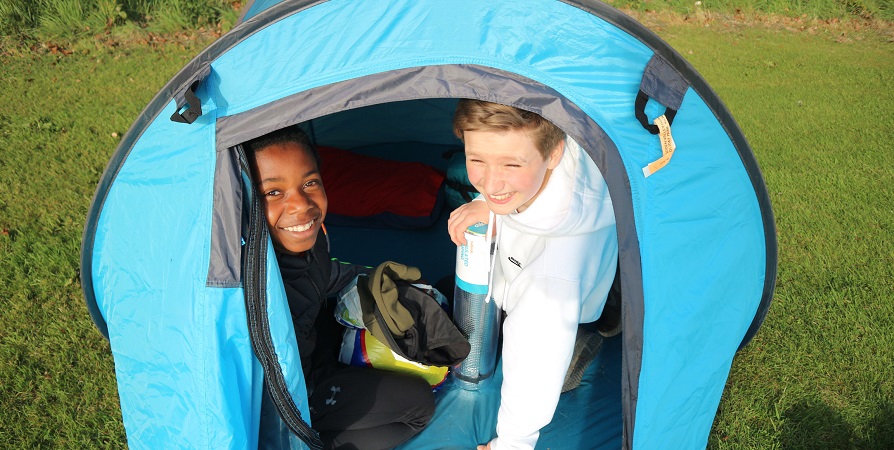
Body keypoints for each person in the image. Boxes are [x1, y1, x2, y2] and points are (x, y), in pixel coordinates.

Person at [245, 127, 435, 449]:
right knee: (418, 404)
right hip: (294, 394)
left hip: (313, 346)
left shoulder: (310, 241)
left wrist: (378, 278)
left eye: (309, 183)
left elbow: (324, 274)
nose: (300, 204)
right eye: (273, 193)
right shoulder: (248, 283)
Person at [447, 100, 619, 450]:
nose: (490, 180)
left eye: (511, 164)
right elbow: (501, 172)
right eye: (476, 159)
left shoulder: (552, 280)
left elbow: (535, 352)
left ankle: (595, 329)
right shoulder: (557, 134)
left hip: (578, 298)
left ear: (555, 153)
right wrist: (488, 204)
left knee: (544, 355)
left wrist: (512, 442)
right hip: (585, 261)